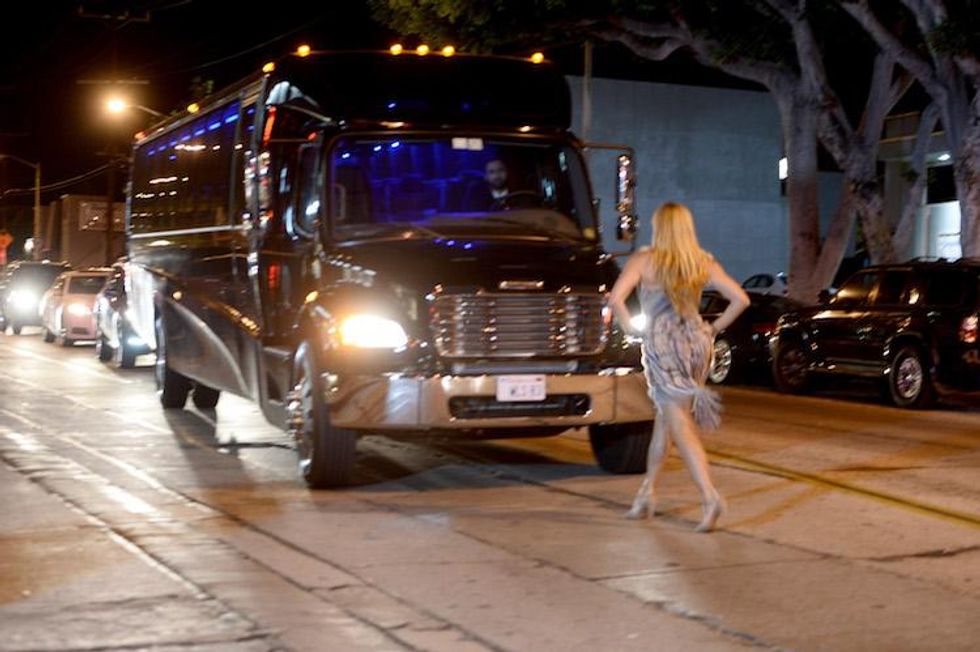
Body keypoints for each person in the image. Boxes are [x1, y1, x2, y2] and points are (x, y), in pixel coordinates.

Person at [608, 202, 749, 532]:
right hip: (697, 343)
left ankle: (709, 496)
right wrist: (713, 328)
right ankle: (646, 493)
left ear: (659, 227)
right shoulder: (702, 261)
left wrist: (630, 327)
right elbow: (741, 299)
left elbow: (615, 298)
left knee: (679, 422)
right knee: (666, 420)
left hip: (662, 344)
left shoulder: (644, 259)